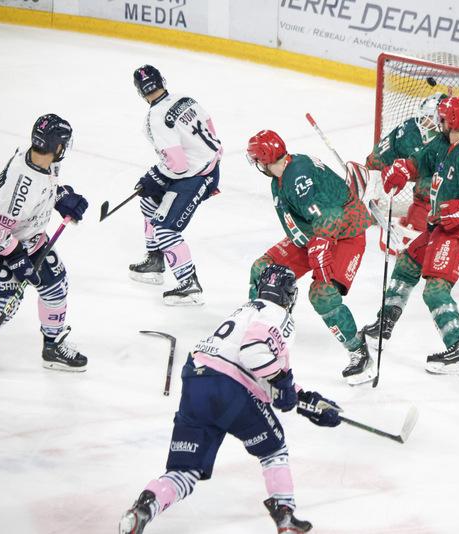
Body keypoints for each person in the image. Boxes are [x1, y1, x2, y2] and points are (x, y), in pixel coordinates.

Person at [119, 264, 341, 534]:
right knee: (273, 450)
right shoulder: (278, 314)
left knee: (185, 472)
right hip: (229, 387)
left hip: (196, 379)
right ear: (288, 294)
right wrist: (284, 385)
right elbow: (254, 352)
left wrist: (304, 399)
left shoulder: (246, 310)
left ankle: (143, 509)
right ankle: (285, 513)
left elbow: (262, 370)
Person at [362, 97, 459, 376]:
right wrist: (402, 170)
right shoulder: (442, 143)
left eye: (441, 118)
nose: (436, 122)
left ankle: (458, 349)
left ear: (450, 121)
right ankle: (384, 324)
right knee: (407, 263)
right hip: (440, 226)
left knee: (435, 289)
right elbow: (419, 162)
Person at [245, 130, 377, 386]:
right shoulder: (283, 175)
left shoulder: (297, 177)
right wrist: (315, 244)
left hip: (345, 236)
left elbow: (332, 217)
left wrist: (321, 249)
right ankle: (258, 337)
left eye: (258, 159)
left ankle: (359, 352)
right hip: (311, 237)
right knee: (262, 270)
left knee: (322, 295)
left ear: (265, 159)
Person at [0, 114, 89, 369]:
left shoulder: (41, 158)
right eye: (64, 143)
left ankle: (52, 347)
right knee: (2, 304)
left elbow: (46, 186)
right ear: (56, 145)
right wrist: (15, 257)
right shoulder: (20, 185)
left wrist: (62, 197)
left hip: (29, 237)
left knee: (55, 285)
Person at [127, 64, 222, 306]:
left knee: (165, 230)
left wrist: (155, 176)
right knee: (149, 201)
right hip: (206, 166)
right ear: (163, 81)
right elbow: (210, 128)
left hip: (196, 176)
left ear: (139, 91)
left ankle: (189, 285)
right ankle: (155, 259)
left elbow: (178, 166)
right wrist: (156, 178)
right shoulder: (186, 99)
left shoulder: (155, 119)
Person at [365, 92, 448, 232]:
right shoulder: (409, 132)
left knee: (426, 188)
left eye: (429, 117)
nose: (423, 121)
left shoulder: (454, 137)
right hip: (412, 166)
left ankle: (422, 225)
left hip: (439, 176)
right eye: (423, 116)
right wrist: (369, 190)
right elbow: (375, 160)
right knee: (371, 169)